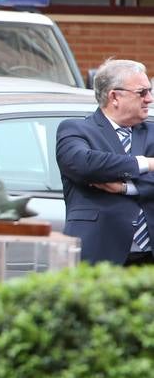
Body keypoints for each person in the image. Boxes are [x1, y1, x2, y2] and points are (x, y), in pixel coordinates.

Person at [55, 59, 154, 266]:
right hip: (100, 252)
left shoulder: (152, 132)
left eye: (150, 91)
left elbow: (100, 168)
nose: (149, 99)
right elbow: (84, 165)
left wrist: (125, 188)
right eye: (142, 92)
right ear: (114, 96)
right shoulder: (75, 130)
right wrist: (146, 164)